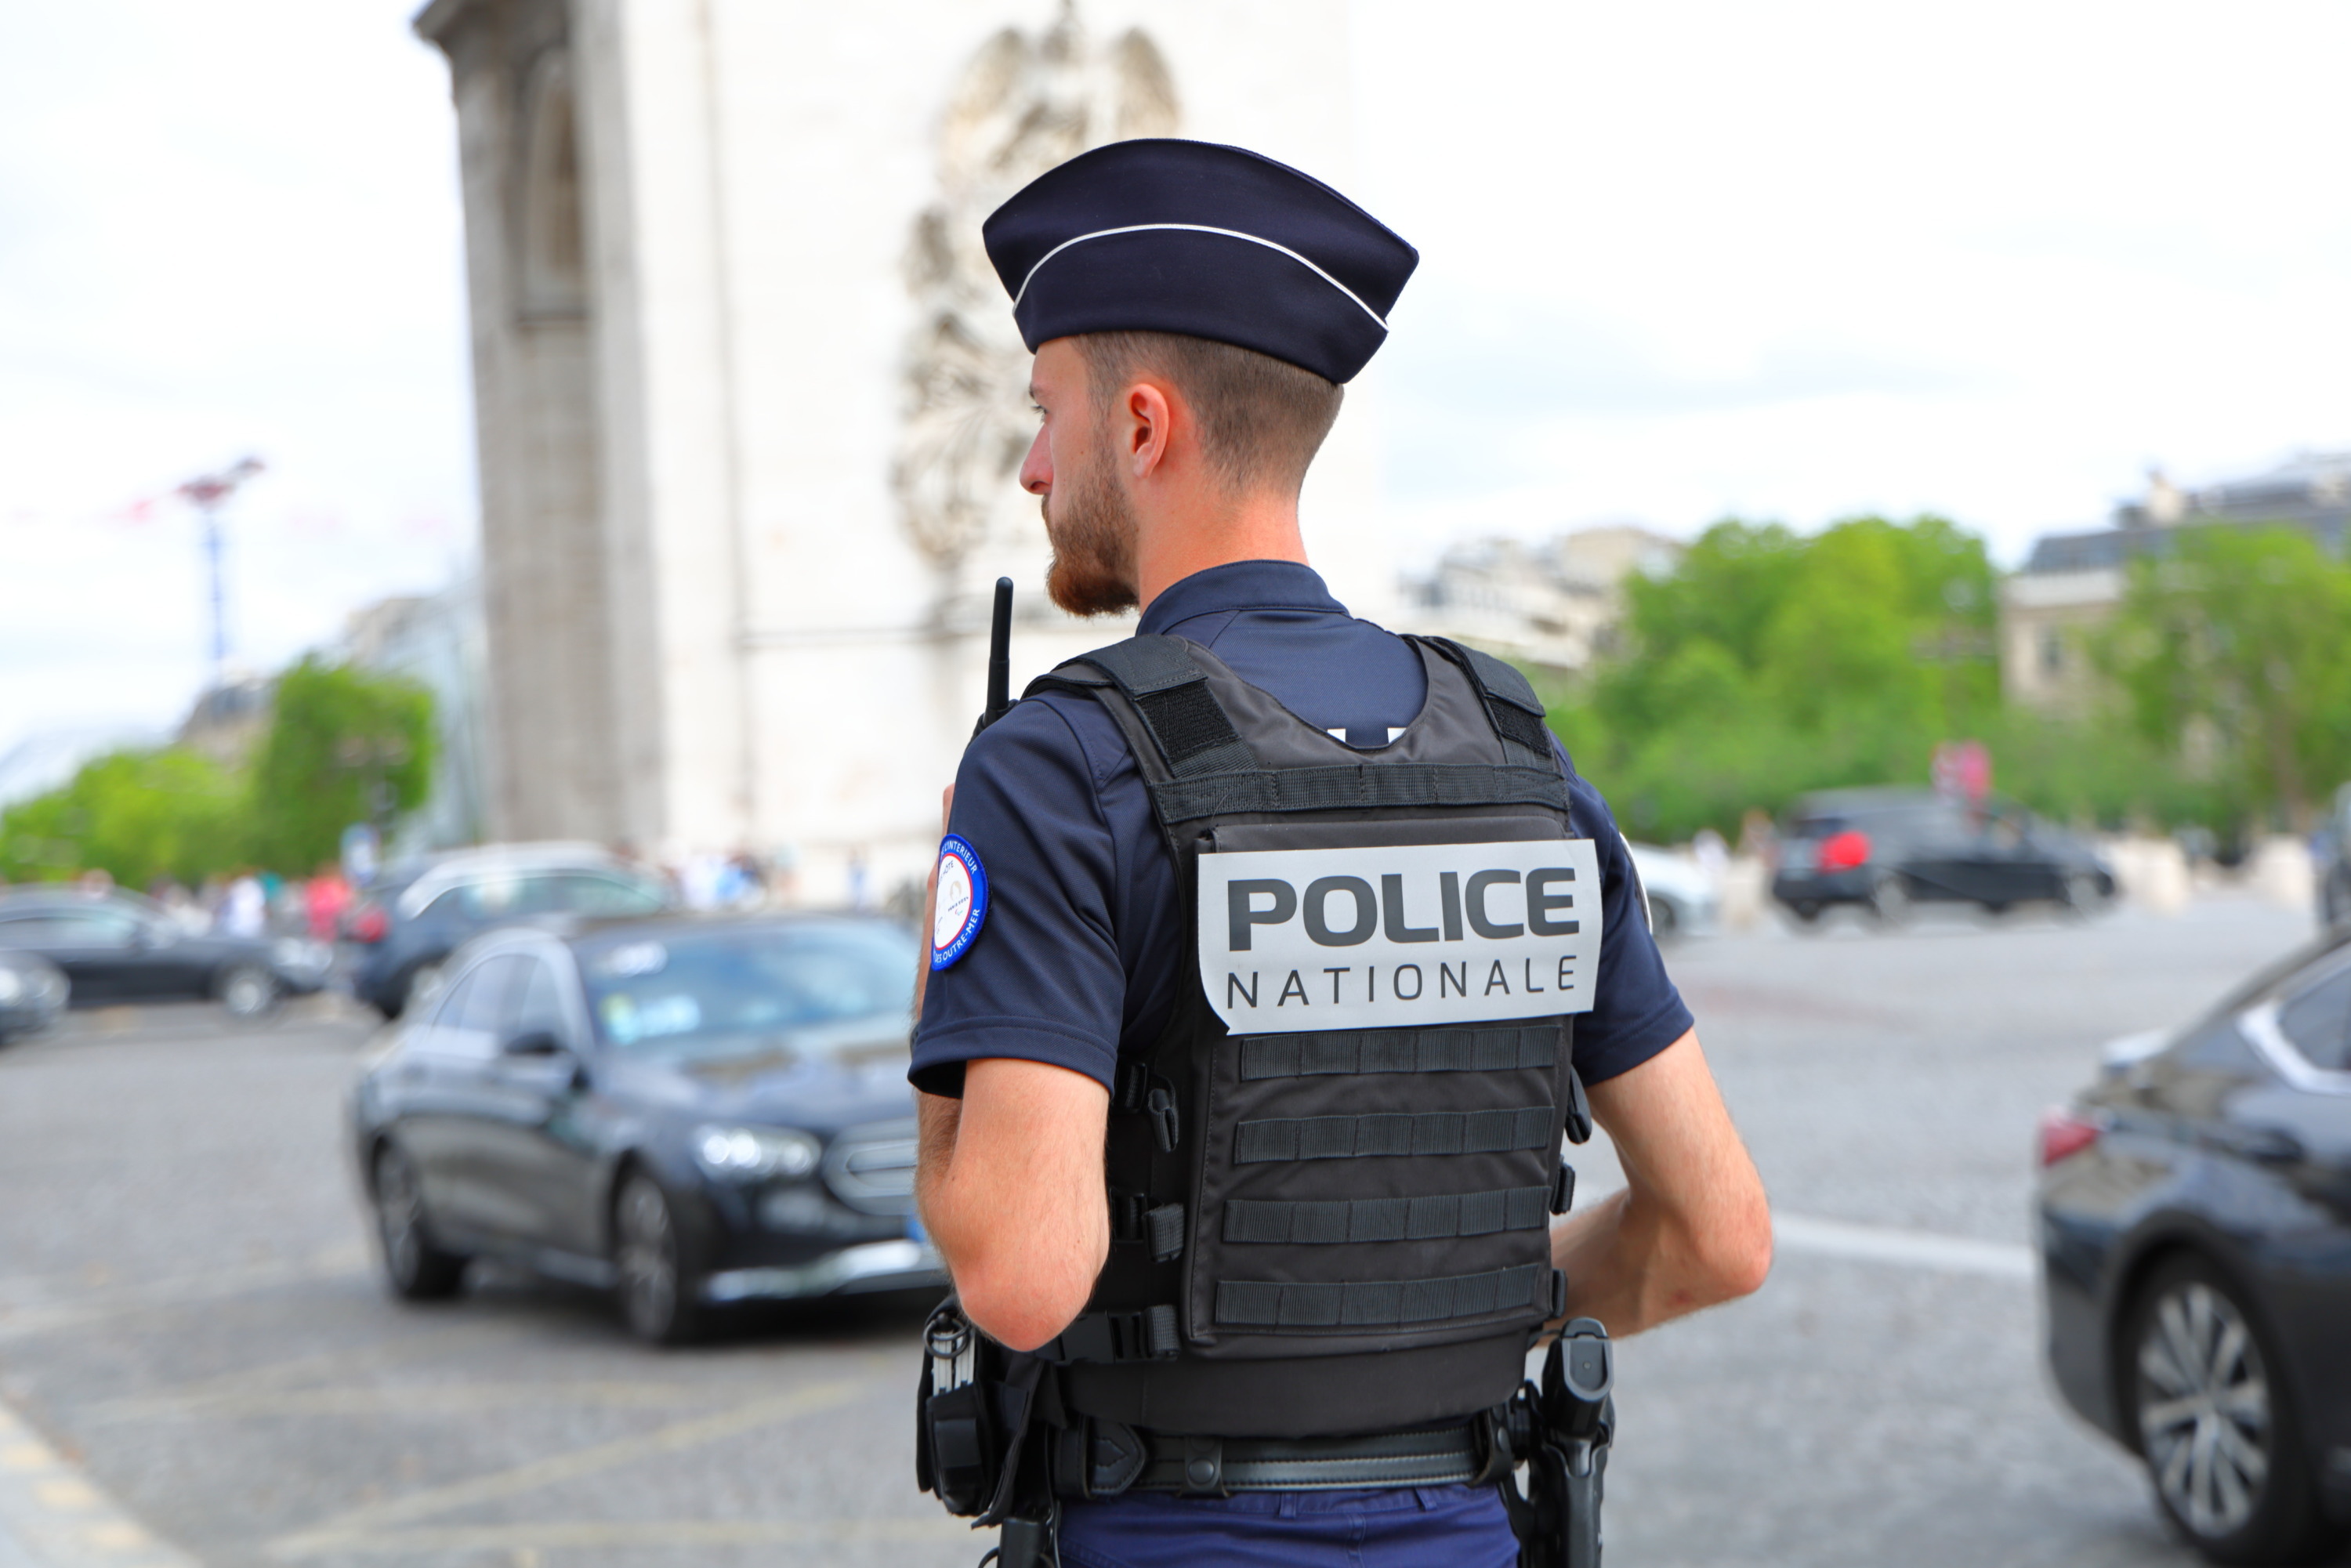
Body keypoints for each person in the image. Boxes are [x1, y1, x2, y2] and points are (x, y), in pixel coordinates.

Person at [911, 139, 1771, 1568]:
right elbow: (1715, 1234)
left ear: (1142, 425)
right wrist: (1447, 1312)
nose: (1030, 466)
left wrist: (944, 996)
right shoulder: (1517, 749)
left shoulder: (1058, 767)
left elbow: (1018, 1270)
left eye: (1046, 411)